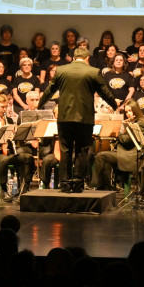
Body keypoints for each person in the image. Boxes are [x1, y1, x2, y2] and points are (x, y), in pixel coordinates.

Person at [38, 46, 119, 190]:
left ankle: (65, 184)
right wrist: (115, 105)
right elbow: (105, 92)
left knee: (65, 150)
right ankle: (78, 183)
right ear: (87, 58)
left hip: (64, 117)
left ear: (74, 58)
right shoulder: (93, 71)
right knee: (82, 150)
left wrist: (40, 104)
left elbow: (49, 90)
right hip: (85, 118)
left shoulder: (61, 70)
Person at [92, 100, 144, 190]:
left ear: (136, 110)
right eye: (126, 111)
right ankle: (105, 187)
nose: (128, 114)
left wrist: (119, 132)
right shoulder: (131, 122)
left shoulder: (141, 123)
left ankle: (97, 185)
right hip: (125, 152)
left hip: (133, 155)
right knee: (102, 157)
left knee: (102, 156)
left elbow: (127, 140)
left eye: (130, 111)